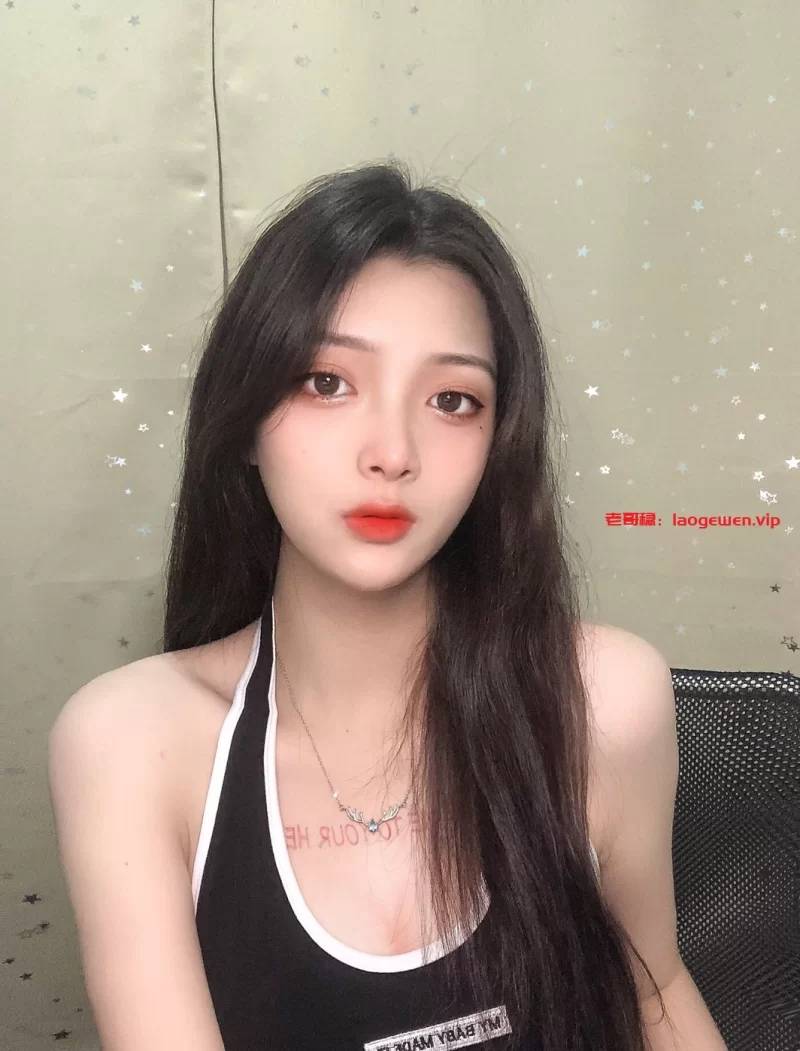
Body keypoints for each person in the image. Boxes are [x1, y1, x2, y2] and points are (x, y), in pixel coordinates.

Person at [48, 160, 672, 1051]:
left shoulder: (607, 698)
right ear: (245, 417)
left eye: (452, 399)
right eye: (327, 382)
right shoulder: (133, 743)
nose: (391, 451)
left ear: (498, 440)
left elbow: (657, 994)